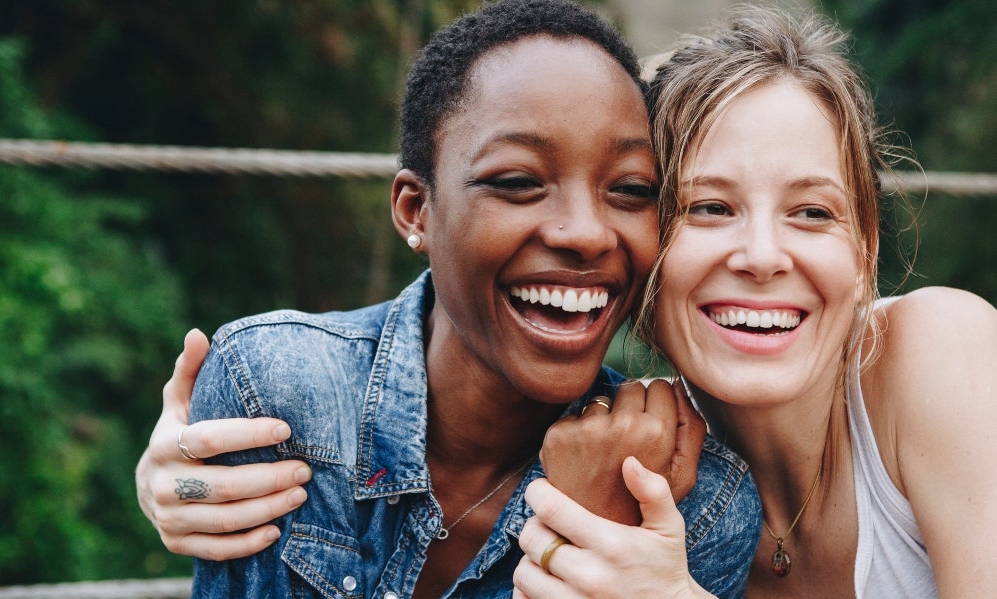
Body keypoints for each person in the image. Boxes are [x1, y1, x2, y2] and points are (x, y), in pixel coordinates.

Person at [134, 0, 762, 597]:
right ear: (417, 211)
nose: (587, 233)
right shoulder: (275, 392)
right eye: (517, 181)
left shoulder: (694, 505)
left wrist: (597, 529)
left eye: (630, 189)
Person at [512, 6, 997, 598]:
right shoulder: (662, 476)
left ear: (865, 251)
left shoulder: (944, 350)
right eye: (709, 208)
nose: (762, 255)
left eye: (812, 212)